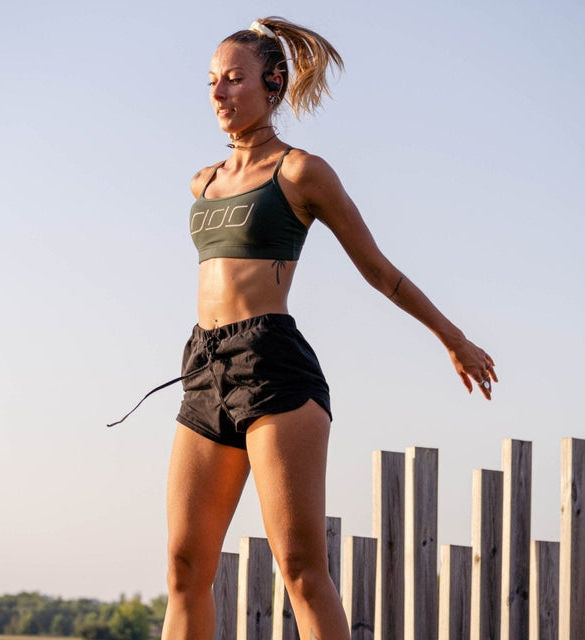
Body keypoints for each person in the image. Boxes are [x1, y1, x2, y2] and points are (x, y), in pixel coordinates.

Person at [125, 16, 496, 640]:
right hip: (203, 368)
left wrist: (453, 338)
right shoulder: (203, 182)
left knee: (299, 567)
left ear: (272, 84)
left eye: (233, 80)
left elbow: (378, 269)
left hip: (273, 367)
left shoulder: (300, 172)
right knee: (185, 565)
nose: (218, 93)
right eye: (211, 81)